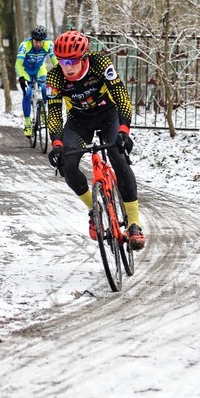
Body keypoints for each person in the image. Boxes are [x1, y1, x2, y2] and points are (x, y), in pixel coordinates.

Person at [45, 30, 145, 250]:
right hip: (79, 122)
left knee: (117, 157)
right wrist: (57, 144)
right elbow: (53, 113)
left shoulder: (100, 63)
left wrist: (124, 130)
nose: (67, 67)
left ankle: (134, 223)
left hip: (108, 116)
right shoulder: (54, 77)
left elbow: (121, 96)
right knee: (68, 165)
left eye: (72, 61)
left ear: (83, 58)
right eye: (62, 62)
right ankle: (95, 210)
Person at [15, 25, 58, 136]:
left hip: (39, 69)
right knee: (28, 93)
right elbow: (18, 64)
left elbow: (55, 62)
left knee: (45, 88)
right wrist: (21, 78)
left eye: (40, 42)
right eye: (36, 41)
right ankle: (28, 124)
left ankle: (43, 114)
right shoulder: (25, 45)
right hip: (26, 71)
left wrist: (59, 74)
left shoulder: (49, 44)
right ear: (32, 39)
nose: (38, 44)